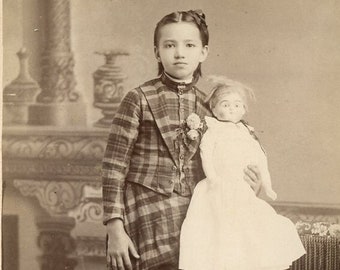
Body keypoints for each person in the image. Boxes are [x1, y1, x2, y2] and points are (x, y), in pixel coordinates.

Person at [102, 10, 262, 270]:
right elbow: (113, 166)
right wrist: (114, 227)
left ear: (203, 52)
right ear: (157, 52)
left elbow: (226, 159)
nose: (179, 53)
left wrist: (246, 184)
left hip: (194, 217)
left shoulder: (210, 106)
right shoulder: (138, 99)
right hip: (144, 215)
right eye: (169, 45)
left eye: (189, 45)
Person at [179, 76, 306, 270]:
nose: (232, 109)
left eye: (238, 105)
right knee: (213, 234)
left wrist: (267, 186)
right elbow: (206, 154)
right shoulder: (213, 130)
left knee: (249, 233)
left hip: (240, 189)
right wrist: (213, 178)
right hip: (215, 188)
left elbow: (260, 158)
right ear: (213, 108)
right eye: (226, 104)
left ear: (244, 110)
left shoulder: (245, 133)